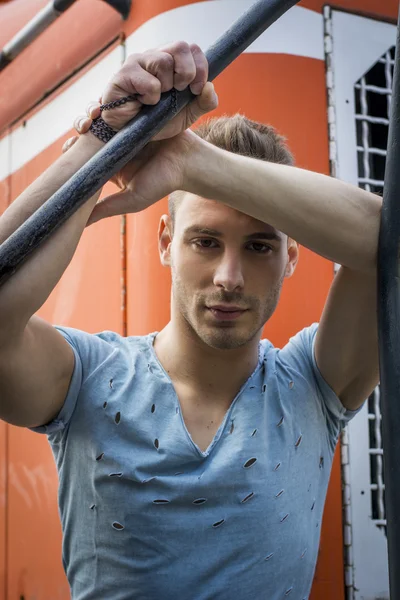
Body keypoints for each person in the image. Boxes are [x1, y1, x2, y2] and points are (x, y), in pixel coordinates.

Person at [0, 42, 381, 600]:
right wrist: (103, 139)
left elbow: (383, 242)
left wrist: (193, 162)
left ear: (291, 257)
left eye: (258, 246)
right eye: (205, 241)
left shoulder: (313, 387)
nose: (229, 276)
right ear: (166, 243)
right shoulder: (85, 380)